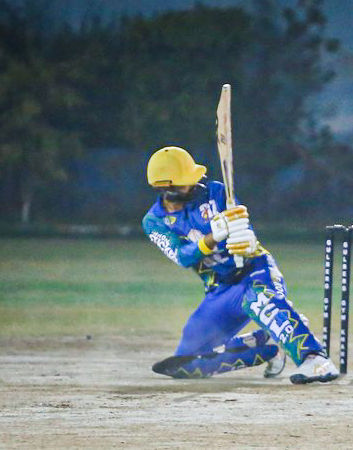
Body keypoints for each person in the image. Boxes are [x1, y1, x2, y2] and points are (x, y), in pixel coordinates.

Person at [141, 146, 338, 384]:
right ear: (166, 188)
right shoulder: (154, 221)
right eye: (186, 182)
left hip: (254, 271)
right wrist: (213, 238)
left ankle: (314, 359)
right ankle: (270, 344)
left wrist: (245, 239)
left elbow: (242, 225)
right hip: (220, 289)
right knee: (186, 363)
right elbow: (182, 256)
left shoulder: (216, 192)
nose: (194, 185)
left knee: (258, 298)